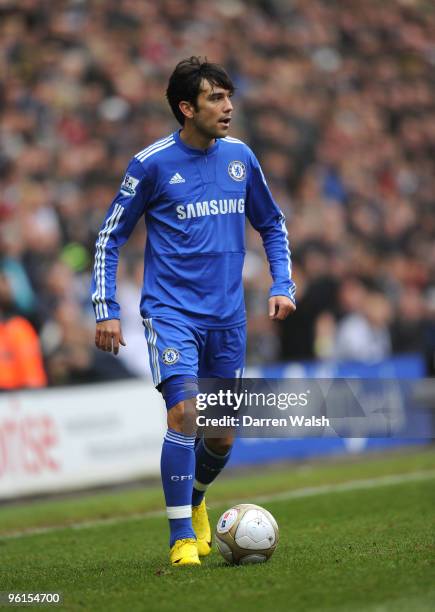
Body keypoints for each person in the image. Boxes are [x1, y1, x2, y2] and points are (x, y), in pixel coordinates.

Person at [91, 57, 296, 566]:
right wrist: (106, 308)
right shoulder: (151, 163)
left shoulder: (241, 158)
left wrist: (283, 282)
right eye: (215, 99)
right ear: (187, 108)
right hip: (171, 312)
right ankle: (181, 535)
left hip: (227, 317)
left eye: (229, 97)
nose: (228, 108)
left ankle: (198, 498)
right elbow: (108, 238)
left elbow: (271, 223)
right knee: (184, 412)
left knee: (222, 434)